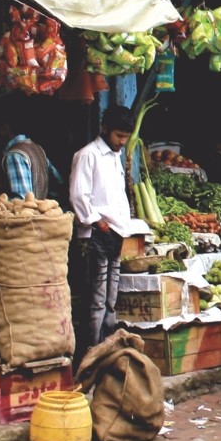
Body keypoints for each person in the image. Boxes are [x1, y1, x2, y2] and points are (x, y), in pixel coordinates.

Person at [69, 103, 135, 356]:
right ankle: (92, 352)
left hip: (115, 233)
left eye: (125, 137)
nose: (122, 142)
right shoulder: (88, 155)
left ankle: (109, 349)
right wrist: (99, 223)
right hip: (96, 233)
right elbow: (79, 196)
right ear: (105, 128)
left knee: (111, 299)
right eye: (119, 136)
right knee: (97, 299)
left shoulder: (115, 156)